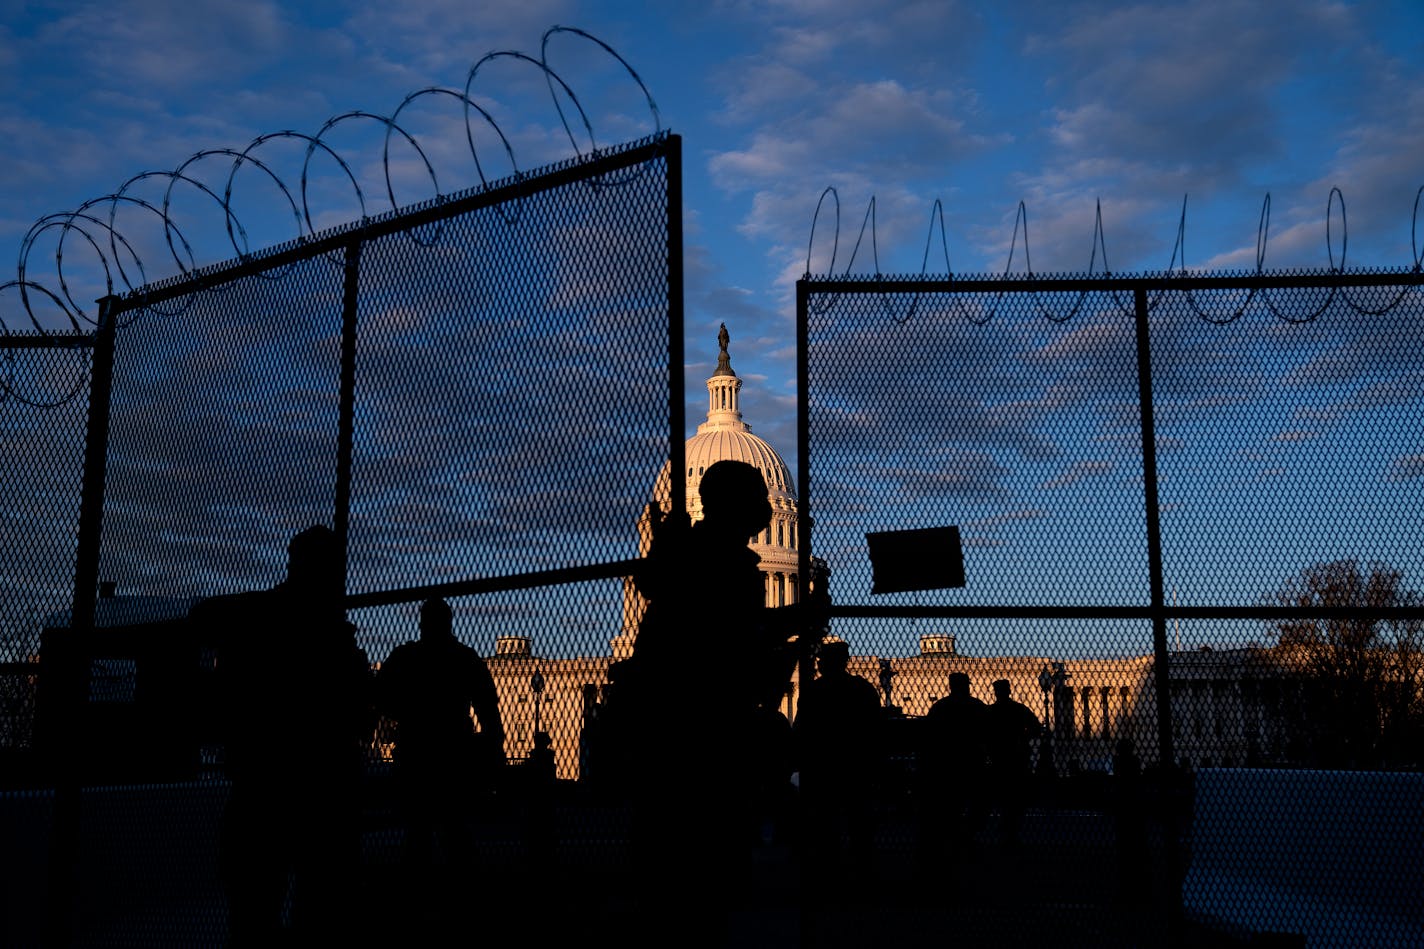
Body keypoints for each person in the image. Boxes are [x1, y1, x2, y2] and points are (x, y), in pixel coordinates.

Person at [611, 459, 823, 945]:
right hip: (700, 731)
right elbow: (730, 640)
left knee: (678, 864)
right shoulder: (723, 567)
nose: (763, 514)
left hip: (673, 725)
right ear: (735, 507)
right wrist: (794, 628)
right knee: (704, 860)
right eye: (756, 502)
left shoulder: (690, 560)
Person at [191, 525, 372, 947]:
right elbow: (357, 710)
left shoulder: (258, 616)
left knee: (256, 904)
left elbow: (202, 622)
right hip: (317, 784)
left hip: (264, 777)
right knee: (315, 903)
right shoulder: (330, 636)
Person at [375, 597, 505, 890]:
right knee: (454, 829)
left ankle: (420, 892)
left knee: (417, 832)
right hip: (454, 751)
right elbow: (488, 711)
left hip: (416, 750)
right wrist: (490, 748)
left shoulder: (406, 657)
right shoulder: (465, 658)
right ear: (450, 622)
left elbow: (380, 696)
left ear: (422, 623)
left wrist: (407, 713)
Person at [793, 639, 883, 886]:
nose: (819, 664)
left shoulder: (814, 691)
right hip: (855, 766)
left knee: (825, 824)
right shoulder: (862, 689)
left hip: (823, 767)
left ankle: (829, 873)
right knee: (859, 824)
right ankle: (863, 873)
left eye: (822, 660)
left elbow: (801, 731)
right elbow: (875, 729)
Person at [918, 671, 988, 872]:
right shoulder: (977, 706)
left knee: (952, 805)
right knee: (977, 803)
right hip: (972, 761)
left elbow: (929, 737)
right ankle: (965, 836)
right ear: (967, 685)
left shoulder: (940, 707)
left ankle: (956, 837)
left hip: (947, 764)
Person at [984, 678, 1041, 848]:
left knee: (1002, 796)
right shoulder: (1019, 709)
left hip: (999, 758)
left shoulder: (990, 712)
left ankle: (1005, 827)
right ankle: (1011, 830)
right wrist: (1022, 738)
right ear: (1009, 691)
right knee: (1016, 798)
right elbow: (1036, 728)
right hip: (1017, 758)